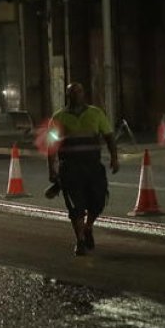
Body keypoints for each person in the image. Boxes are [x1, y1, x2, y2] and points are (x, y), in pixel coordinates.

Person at [46, 82, 120, 256]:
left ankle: (88, 227)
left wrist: (114, 159)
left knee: (98, 201)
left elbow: (109, 137)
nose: (76, 95)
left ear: (84, 94)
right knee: (75, 206)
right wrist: (52, 169)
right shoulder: (59, 117)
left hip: (93, 166)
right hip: (70, 168)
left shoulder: (95, 113)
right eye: (72, 92)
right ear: (67, 95)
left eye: (79, 91)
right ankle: (79, 241)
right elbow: (51, 146)